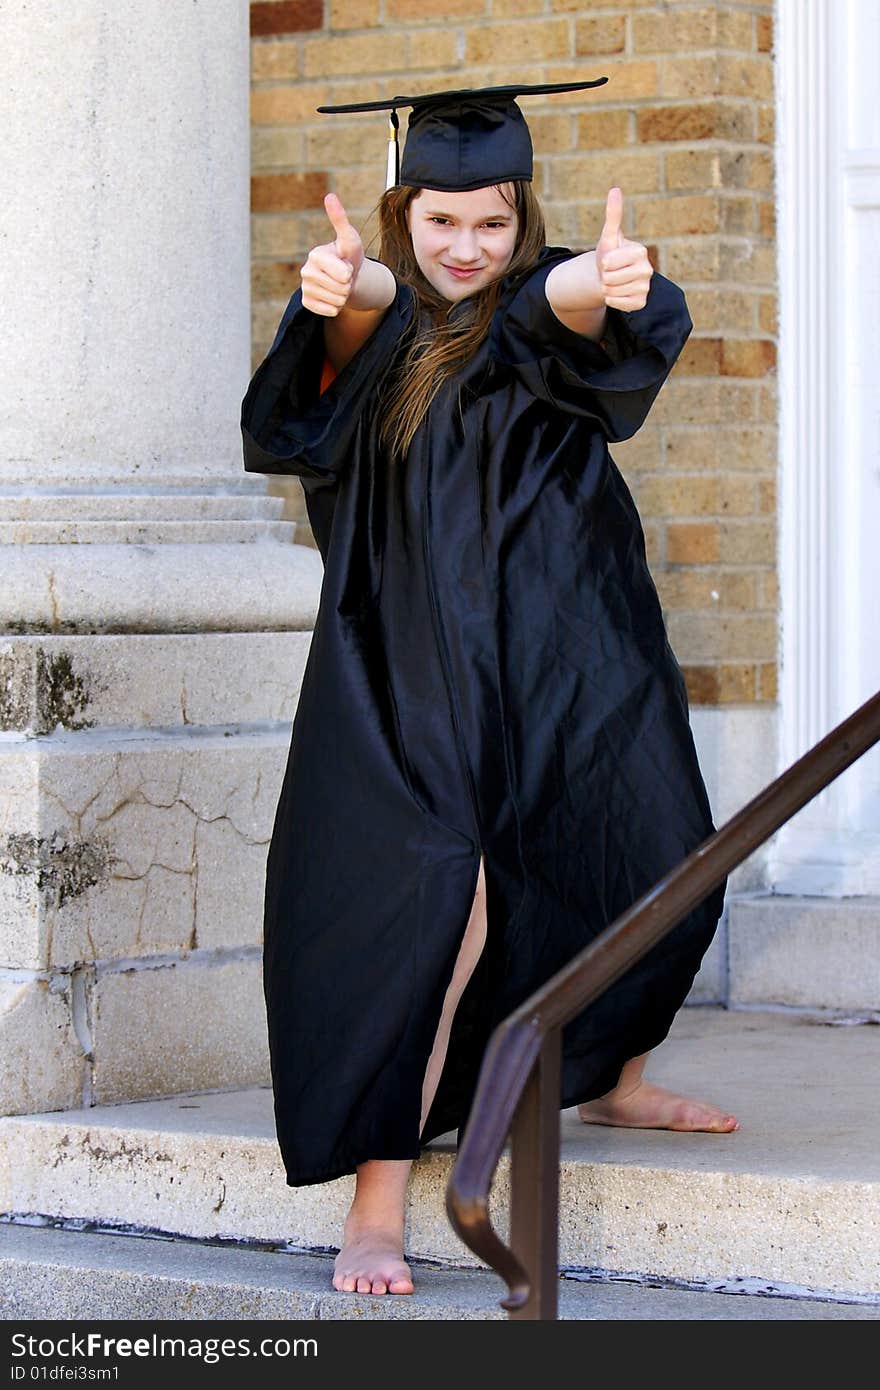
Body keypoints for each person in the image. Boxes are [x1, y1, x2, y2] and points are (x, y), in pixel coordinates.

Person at [240, 82, 737, 1300]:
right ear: (406, 214)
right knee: (434, 911)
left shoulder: (536, 300)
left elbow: (561, 307)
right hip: (420, 665)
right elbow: (352, 316)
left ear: (526, 223)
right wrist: (336, 286)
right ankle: (375, 1196)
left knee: (638, 848)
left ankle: (607, 1075)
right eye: (442, 223)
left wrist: (605, 283)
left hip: (571, 648)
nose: (466, 248)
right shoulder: (387, 329)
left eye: (494, 225)